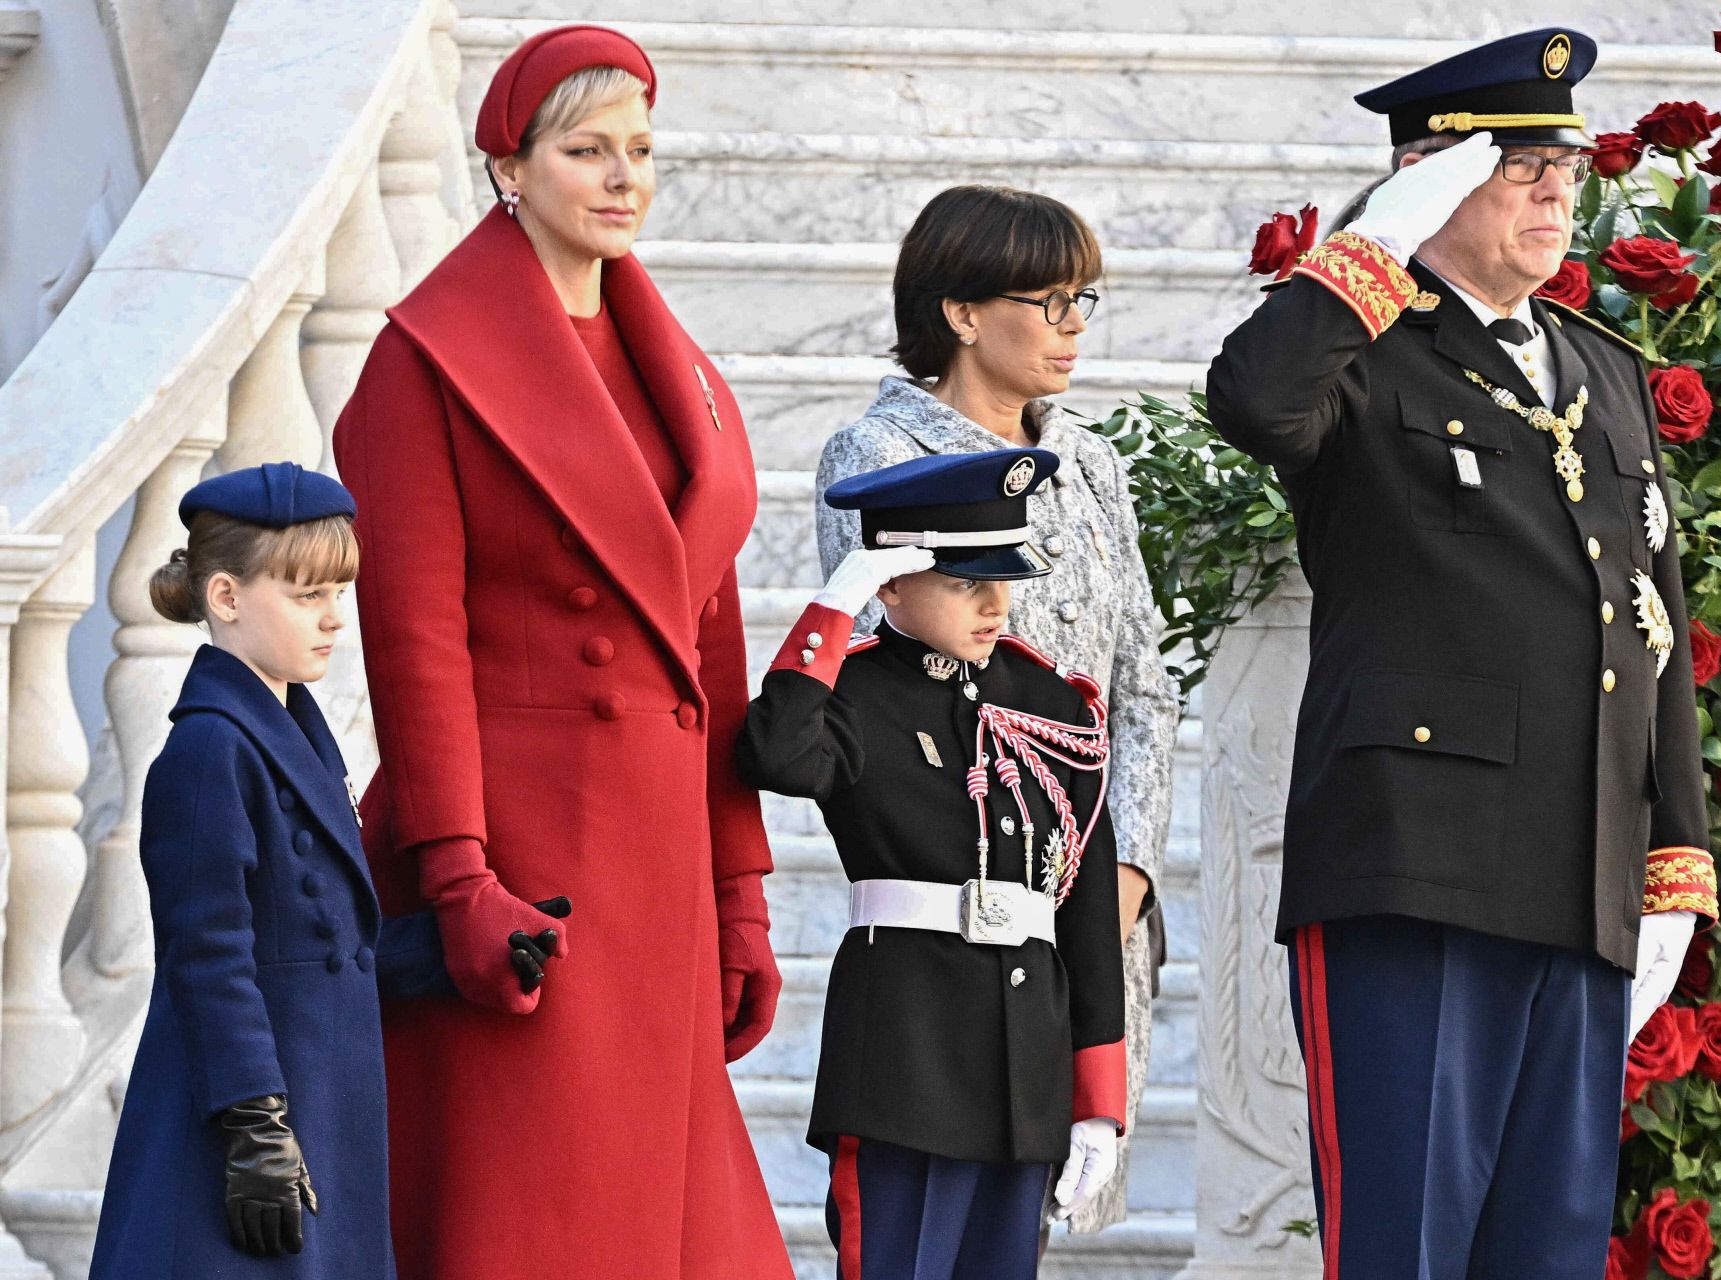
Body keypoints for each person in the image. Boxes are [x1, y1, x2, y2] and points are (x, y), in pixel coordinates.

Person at [1205, 28, 1718, 1277]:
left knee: (1542, 1249)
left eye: (1569, 167)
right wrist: (1379, 237)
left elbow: (1654, 622)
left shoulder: (1603, 368)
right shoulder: (1364, 348)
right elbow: (1253, 402)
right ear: (1435, 178)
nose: (1559, 192)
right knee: (1405, 1245)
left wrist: (1675, 852)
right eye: (1521, 166)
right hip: (1416, 864)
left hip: (1579, 870)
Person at [331, 24, 789, 1279]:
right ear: (510, 168)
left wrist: (738, 891)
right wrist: (461, 878)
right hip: (530, 866)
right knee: (537, 1221)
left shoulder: (680, 371)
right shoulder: (423, 366)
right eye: (587, 150)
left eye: (640, 150)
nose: (622, 177)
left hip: (661, 865)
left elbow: (710, 648)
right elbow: (414, 648)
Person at [815, 185, 1178, 1231]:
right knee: (930, 1217)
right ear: (962, 312)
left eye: (1084, 300)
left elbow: (1142, 682)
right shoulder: (876, 455)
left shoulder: (1091, 461)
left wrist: (1125, 872)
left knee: (1036, 1209)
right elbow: (880, 688)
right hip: (952, 920)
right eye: (1049, 298)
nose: (1071, 325)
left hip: (1089, 901)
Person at [738, 449, 1127, 1280]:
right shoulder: (851, 693)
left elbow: (1086, 904)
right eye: (962, 582)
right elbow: (773, 755)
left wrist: (1098, 1103)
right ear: (891, 584)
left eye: (1003, 577)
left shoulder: (1052, 701)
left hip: (1026, 1065)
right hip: (903, 1060)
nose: (996, 603)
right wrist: (833, 608)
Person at [89, 463, 479, 1279]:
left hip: (321, 1111)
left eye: (340, 593)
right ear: (227, 598)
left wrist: (458, 948)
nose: (334, 619)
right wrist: (253, 1127)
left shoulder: (294, 732)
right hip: (246, 1126)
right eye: (307, 596)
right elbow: (209, 958)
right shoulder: (207, 749)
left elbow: (321, 943)